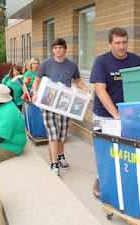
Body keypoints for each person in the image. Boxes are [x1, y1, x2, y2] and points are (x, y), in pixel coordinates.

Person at [89, 27, 140, 198]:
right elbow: (100, 91)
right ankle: (101, 180)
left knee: (126, 151)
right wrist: (117, 115)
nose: (122, 46)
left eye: (125, 42)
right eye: (118, 43)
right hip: (104, 115)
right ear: (110, 44)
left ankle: (124, 182)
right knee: (105, 152)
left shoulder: (135, 60)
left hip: (129, 115)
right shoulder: (102, 62)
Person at [32, 38, 89, 176]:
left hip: (64, 104)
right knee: (52, 133)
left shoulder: (71, 65)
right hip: (48, 103)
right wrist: (34, 93)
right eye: (55, 47)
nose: (58, 50)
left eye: (61, 47)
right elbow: (37, 80)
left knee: (62, 134)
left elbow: (77, 80)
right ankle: (54, 163)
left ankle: (60, 155)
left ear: (65, 49)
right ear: (53, 49)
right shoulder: (46, 63)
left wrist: (84, 87)